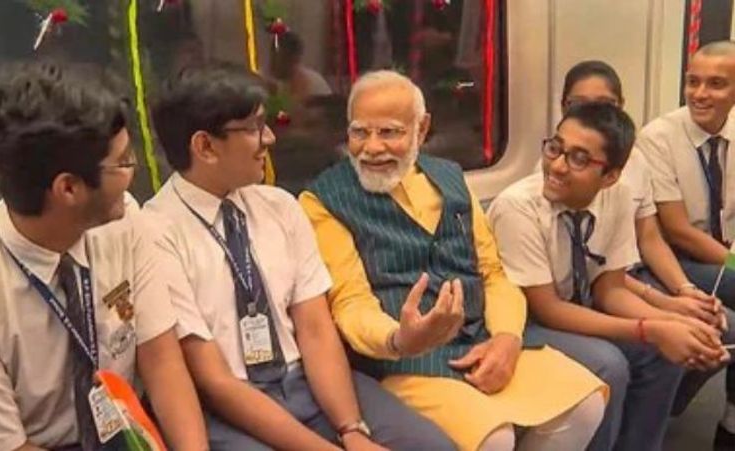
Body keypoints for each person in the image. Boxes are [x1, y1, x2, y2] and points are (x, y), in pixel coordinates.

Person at [144, 66, 456, 451]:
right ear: (206, 147)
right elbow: (214, 380)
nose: (270, 138)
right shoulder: (155, 233)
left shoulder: (279, 206)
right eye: (255, 127)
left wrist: (351, 429)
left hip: (307, 380)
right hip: (231, 404)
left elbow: (315, 330)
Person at [300, 70, 607, 451]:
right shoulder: (324, 200)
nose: (371, 148)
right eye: (359, 132)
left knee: (586, 405)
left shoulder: (451, 179)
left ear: (422, 128)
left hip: (479, 341)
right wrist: (399, 338)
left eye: (390, 132)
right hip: (400, 362)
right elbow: (349, 301)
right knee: (494, 439)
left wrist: (507, 339)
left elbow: (492, 273)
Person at [0, 61, 207, 451]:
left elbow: (162, 362)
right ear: (68, 189)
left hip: (129, 433)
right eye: (124, 162)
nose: (133, 172)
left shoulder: (125, 221)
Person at [488, 102, 727, 451]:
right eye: (555, 148)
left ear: (611, 175)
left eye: (580, 159)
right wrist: (654, 328)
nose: (557, 165)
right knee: (609, 364)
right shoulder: (518, 207)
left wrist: (676, 322)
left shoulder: (617, 196)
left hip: (574, 309)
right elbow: (548, 309)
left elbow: (609, 289)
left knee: (663, 354)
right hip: (520, 322)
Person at [560, 61, 735, 419]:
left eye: (605, 105)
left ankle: (676, 407)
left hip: (634, 274)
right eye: (580, 106)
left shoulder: (633, 160)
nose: (593, 115)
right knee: (674, 341)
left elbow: (649, 236)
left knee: (718, 322)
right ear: (563, 108)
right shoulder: (559, 175)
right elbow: (598, 273)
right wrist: (664, 307)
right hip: (607, 283)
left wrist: (684, 291)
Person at [637, 40, 735, 447]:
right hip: (679, 260)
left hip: (724, 254)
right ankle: (679, 400)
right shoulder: (659, 136)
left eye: (715, 84)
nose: (700, 94)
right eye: (693, 82)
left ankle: (731, 414)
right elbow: (676, 229)